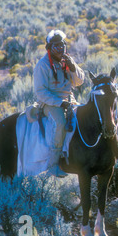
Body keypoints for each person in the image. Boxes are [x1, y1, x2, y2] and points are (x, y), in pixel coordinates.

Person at [33, 29, 85, 177]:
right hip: (50, 103)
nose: (60, 49)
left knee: (82, 118)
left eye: (62, 46)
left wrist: (73, 68)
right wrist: (59, 103)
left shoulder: (67, 60)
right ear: (49, 48)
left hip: (69, 99)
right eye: (56, 46)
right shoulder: (42, 65)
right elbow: (41, 92)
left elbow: (79, 82)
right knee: (60, 123)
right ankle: (53, 165)